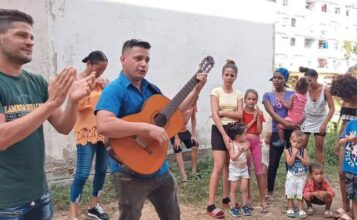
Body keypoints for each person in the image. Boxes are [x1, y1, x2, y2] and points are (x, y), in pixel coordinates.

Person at [95, 39, 206, 220]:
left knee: (172, 216)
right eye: (138, 58)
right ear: (123, 59)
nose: (143, 64)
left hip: (159, 168)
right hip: (129, 171)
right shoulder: (114, 90)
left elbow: (173, 113)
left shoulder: (151, 89)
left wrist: (196, 91)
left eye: (147, 60)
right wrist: (146, 128)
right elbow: (104, 125)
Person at [0, 9, 95, 219]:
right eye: (21, 35)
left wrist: (71, 101)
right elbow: (2, 138)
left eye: (32, 37)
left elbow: (63, 126)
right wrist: (51, 103)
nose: (30, 42)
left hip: (40, 196)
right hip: (5, 205)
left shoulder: (37, 81)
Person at [68, 51, 109, 220]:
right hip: (85, 132)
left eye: (104, 70)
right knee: (82, 174)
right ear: (90, 64)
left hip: (103, 130)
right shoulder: (77, 80)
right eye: (99, 69)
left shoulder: (100, 82)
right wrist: (91, 86)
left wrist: (107, 89)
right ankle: (73, 214)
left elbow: (106, 104)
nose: (101, 73)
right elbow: (80, 106)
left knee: (101, 170)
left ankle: (94, 206)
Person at [207, 60, 243, 219]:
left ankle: (226, 197)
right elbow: (214, 114)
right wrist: (223, 133)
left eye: (232, 75)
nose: (229, 77)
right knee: (219, 165)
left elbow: (240, 115)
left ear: (235, 76)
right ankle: (210, 204)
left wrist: (223, 113)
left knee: (230, 165)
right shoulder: (216, 92)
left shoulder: (238, 94)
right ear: (222, 75)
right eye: (226, 75)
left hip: (234, 130)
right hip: (219, 130)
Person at [262, 67, 299, 198]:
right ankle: (269, 191)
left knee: (291, 161)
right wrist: (286, 123)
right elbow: (272, 113)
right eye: (274, 78)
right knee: (273, 162)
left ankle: (292, 190)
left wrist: (295, 124)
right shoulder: (267, 95)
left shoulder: (292, 95)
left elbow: (298, 110)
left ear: (285, 80)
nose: (276, 80)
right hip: (276, 132)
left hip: (292, 132)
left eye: (279, 78)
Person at [330, 73, 357, 213]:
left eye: (344, 95)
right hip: (344, 140)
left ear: (351, 91)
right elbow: (344, 121)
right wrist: (338, 140)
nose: (343, 99)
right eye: (341, 96)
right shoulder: (345, 102)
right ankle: (345, 205)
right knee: (342, 173)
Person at [300, 67, 335, 165]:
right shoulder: (304, 89)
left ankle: (319, 172)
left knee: (319, 147)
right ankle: (302, 169)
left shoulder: (325, 89)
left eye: (310, 81)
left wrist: (325, 123)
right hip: (306, 119)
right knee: (302, 146)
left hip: (320, 120)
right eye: (306, 81)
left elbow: (332, 108)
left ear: (316, 77)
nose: (308, 83)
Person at [242, 89, 268, 212]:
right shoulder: (241, 112)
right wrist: (253, 118)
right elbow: (243, 130)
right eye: (249, 99)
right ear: (245, 99)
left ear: (256, 101)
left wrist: (258, 116)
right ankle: (248, 199)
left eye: (254, 99)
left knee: (260, 172)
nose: (251, 101)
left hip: (256, 142)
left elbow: (258, 130)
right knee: (246, 171)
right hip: (245, 143)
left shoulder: (259, 112)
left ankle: (263, 200)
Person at [170, 96, 200, 182]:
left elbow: (193, 119)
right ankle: (184, 176)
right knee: (177, 148)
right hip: (173, 130)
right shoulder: (182, 104)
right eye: (193, 99)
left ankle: (194, 171)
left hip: (184, 129)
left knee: (195, 145)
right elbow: (172, 120)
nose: (194, 101)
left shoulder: (194, 105)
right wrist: (176, 138)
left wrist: (193, 134)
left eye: (196, 100)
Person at [273, 77, 309, 147]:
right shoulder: (305, 98)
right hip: (300, 118)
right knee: (303, 118)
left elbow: (288, 106)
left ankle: (282, 140)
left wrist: (282, 101)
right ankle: (297, 139)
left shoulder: (294, 96)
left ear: (296, 87)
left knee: (279, 126)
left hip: (292, 118)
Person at [226, 123, 251, 217]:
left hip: (244, 169)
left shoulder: (245, 143)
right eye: (245, 134)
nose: (246, 135)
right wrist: (240, 151)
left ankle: (245, 206)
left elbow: (248, 156)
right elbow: (233, 158)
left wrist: (247, 150)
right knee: (234, 189)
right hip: (234, 169)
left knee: (244, 188)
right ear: (238, 136)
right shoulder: (232, 145)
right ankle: (233, 207)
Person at [284, 130, 310, 219]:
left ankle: (300, 209)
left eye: (299, 142)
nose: (296, 144)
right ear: (290, 140)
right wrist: (294, 155)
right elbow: (290, 163)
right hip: (292, 175)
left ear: (302, 143)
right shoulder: (287, 151)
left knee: (300, 192)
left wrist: (299, 156)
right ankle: (290, 208)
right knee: (290, 191)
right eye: (294, 141)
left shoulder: (304, 151)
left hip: (302, 176)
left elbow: (307, 163)